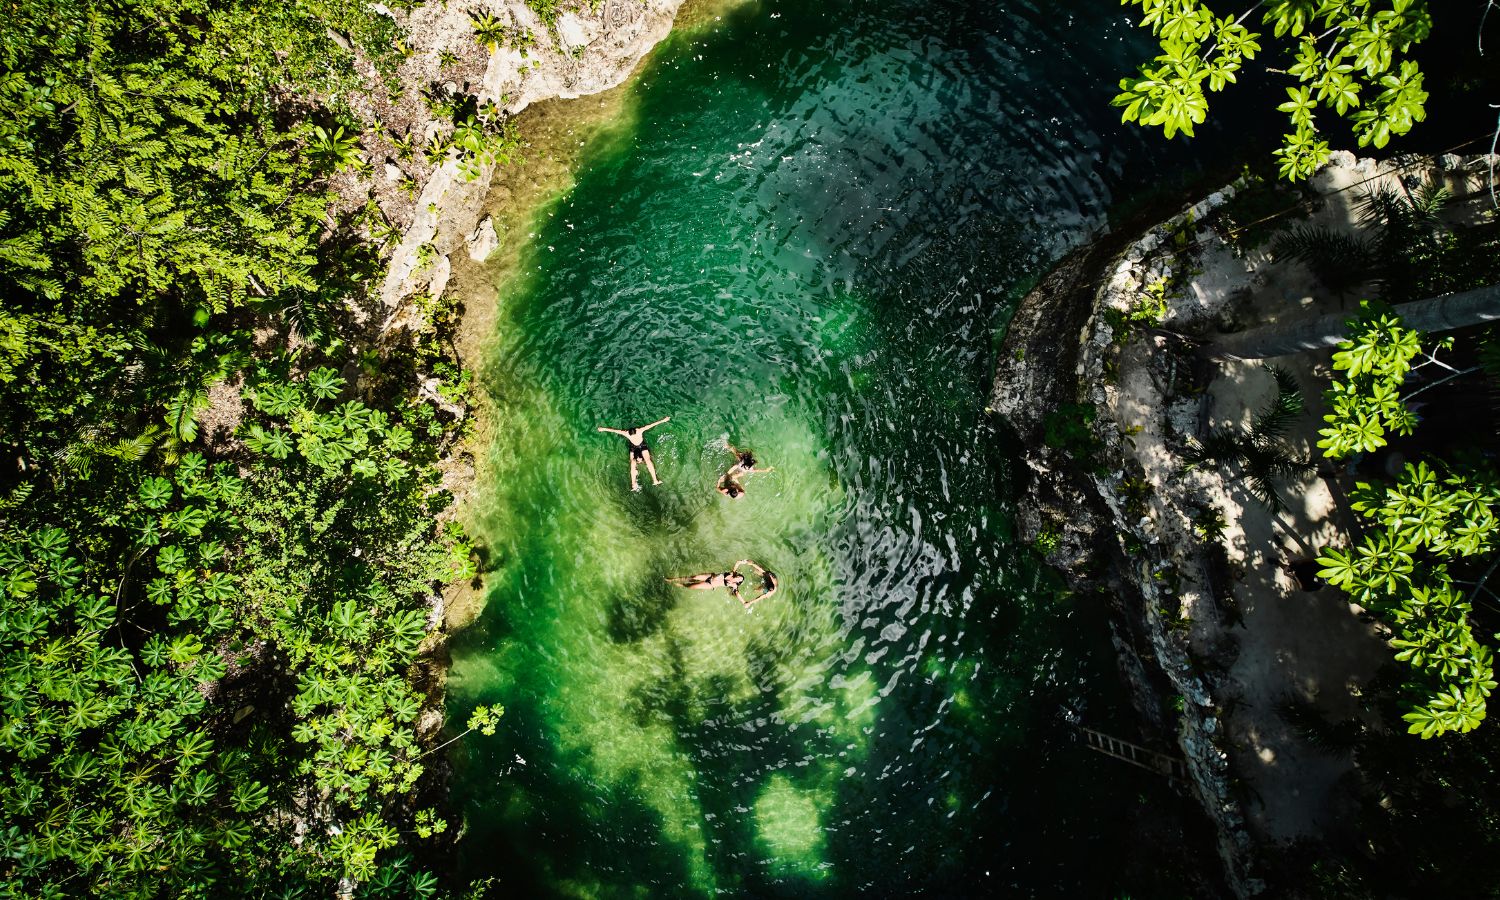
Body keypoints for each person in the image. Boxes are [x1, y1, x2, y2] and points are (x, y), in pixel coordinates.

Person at [666, 559, 779, 610]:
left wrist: (746, 602)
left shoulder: (734, 586)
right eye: (739, 576)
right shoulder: (732, 574)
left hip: (711, 585)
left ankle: (679, 585)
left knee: (690, 586)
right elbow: (736, 567)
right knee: (693, 577)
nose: (739, 577)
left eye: (740, 578)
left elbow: (739, 595)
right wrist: (744, 562)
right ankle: (673, 579)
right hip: (710, 577)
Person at [597, 416, 670, 491]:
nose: (634, 437)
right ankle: (633, 484)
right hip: (633, 448)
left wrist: (663, 420)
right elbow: (614, 430)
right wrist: (603, 429)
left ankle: (655, 480)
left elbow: (651, 425)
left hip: (642, 446)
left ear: (636, 431)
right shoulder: (626, 433)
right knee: (632, 463)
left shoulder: (640, 430)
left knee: (648, 460)